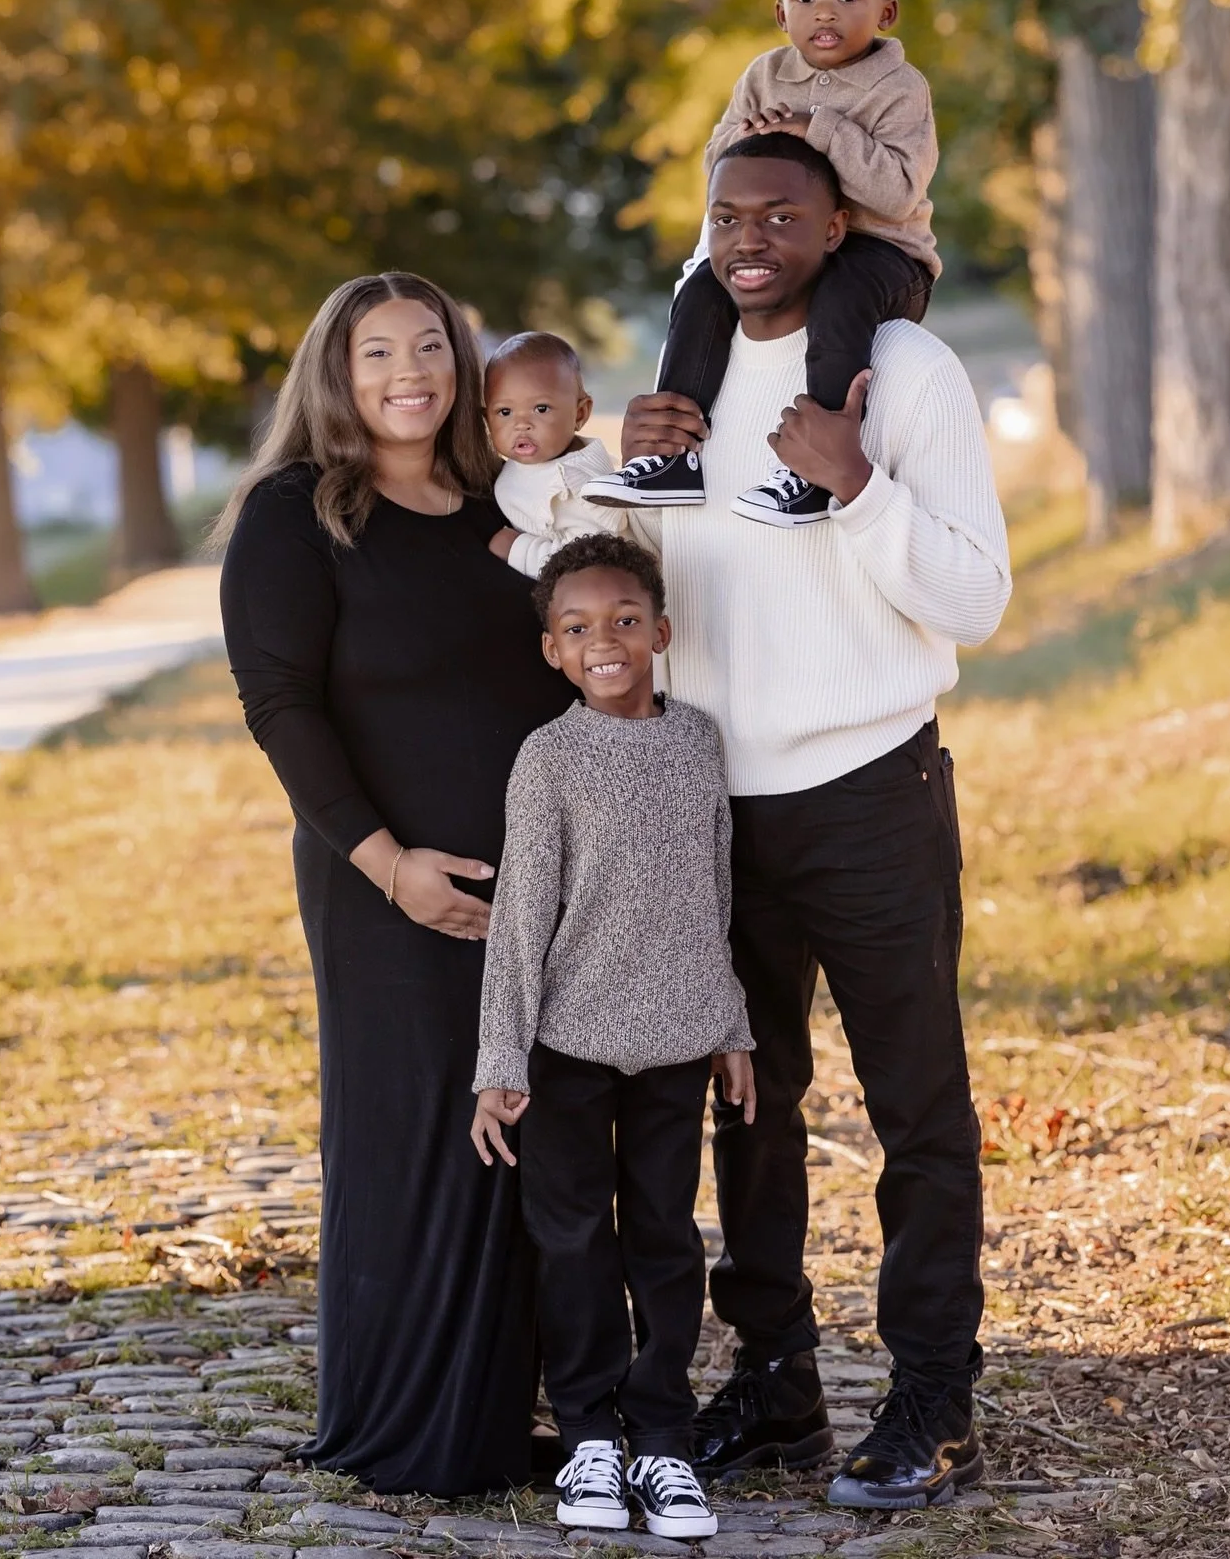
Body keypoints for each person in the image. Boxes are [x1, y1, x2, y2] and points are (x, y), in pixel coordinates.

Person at [618, 132, 1011, 1510]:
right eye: (727, 215)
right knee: (746, 1108)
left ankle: (932, 1404)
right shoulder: (688, 379)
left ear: (842, 227)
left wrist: (856, 487)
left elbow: (972, 598)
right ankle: (776, 1384)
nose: (751, 238)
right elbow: (634, 587)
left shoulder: (905, 374)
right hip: (715, 801)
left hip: (870, 792)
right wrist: (624, 473)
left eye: (783, 215)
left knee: (918, 1111)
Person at [216, 271, 576, 1497]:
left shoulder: (503, 504)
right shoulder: (294, 515)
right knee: (415, 1137)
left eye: (432, 346)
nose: (408, 372)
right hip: (390, 888)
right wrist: (388, 867)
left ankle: (495, 1419)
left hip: (538, 889)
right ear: (337, 373)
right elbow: (282, 707)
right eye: (378, 354)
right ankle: (405, 1428)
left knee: (526, 1139)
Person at [470, 532, 755, 1539]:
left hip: (677, 1042)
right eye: (580, 628)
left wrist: (731, 1021)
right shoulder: (548, 758)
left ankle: (665, 1443)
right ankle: (591, 1434)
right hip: (567, 1046)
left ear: (662, 633)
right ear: (552, 649)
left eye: (627, 623)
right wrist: (501, 1061)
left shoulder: (698, 743)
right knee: (574, 1238)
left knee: (669, 1241)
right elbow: (520, 914)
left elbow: (714, 893)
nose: (606, 642)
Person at [584, 0, 938, 527]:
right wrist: (744, 141)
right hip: (784, 249)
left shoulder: (900, 87)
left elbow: (898, 192)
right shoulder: (764, 75)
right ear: (782, 13)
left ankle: (816, 467)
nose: (824, 12)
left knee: (840, 296)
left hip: (881, 253)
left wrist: (818, 130)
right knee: (701, 289)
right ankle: (674, 456)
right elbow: (717, 162)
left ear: (886, 12)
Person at [483, 330, 628, 578]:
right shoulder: (521, 466)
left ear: (579, 414)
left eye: (541, 408)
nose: (521, 424)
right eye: (505, 412)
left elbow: (597, 560)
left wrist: (519, 550)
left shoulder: (577, 485)